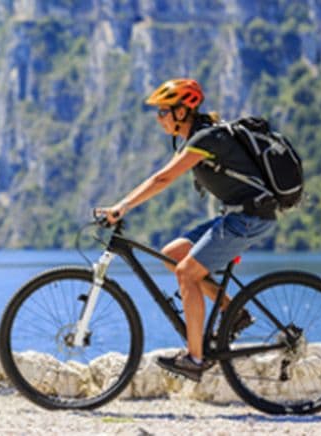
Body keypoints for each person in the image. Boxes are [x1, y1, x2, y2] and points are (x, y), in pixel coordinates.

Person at [96, 78, 277, 382]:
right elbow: (162, 178)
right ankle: (235, 313)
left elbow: (161, 179)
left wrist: (122, 206)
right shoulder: (197, 138)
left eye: (164, 112)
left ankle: (195, 358)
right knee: (171, 255)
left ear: (182, 112)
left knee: (186, 273)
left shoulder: (206, 139)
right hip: (236, 215)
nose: (159, 119)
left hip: (249, 217)